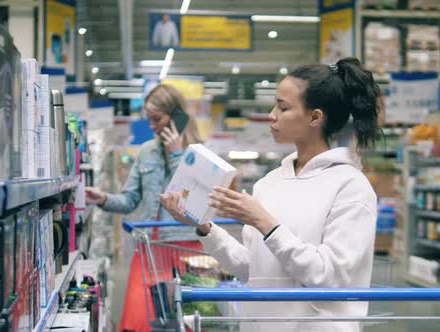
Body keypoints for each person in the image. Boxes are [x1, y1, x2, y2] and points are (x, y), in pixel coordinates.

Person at [162, 57, 380, 332]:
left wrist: (265, 222)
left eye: (283, 107)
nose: (272, 115)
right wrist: (204, 227)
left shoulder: (350, 187)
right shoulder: (269, 182)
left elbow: (328, 276)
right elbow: (253, 270)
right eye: (275, 104)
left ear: (315, 117)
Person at [85, 84, 203, 332]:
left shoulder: (198, 152)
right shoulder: (146, 152)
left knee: (187, 321)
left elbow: (194, 203)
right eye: (149, 119)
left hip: (185, 249)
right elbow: (129, 200)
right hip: (149, 249)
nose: (152, 126)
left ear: (176, 116)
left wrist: (176, 155)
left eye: (157, 119)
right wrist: (102, 198)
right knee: (139, 320)